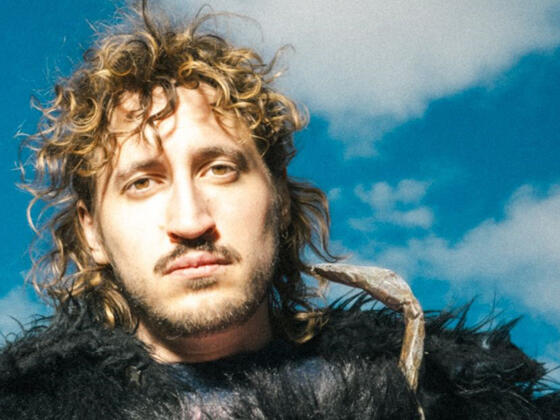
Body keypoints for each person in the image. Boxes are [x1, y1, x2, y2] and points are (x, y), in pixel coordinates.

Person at [1, 2, 558, 418]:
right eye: (143, 182)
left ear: (281, 199)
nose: (191, 222)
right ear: (91, 234)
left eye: (220, 169)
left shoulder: (447, 394)